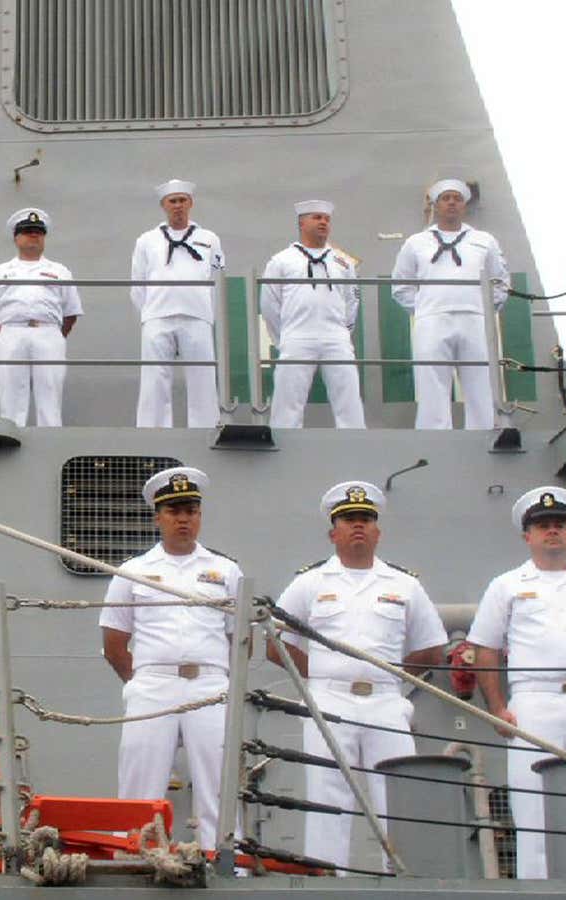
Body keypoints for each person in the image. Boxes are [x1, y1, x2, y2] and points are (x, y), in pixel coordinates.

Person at [269, 481, 447, 870]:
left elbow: (433, 647)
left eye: (366, 519)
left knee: (398, 799)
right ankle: (328, 883)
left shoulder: (404, 584)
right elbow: (275, 642)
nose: (358, 526)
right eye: (349, 519)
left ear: (378, 531)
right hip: (329, 700)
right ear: (333, 532)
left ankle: (403, 882)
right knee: (328, 798)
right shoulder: (310, 583)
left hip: (386, 702)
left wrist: (395, 678)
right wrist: (321, 676)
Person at [466, 485, 566, 879]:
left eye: (559, 525)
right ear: (528, 536)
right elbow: (484, 649)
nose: (552, 531)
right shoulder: (506, 585)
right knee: (533, 807)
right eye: (543, 526)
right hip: (534, 703)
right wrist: (497, 708)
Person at [99, 466, 242, 847]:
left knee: (218, 783)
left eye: (191, 510)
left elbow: (239, 639)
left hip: (210, 685)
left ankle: (227, 865)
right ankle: (131, 859)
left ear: (199, 516)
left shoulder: (226, 571)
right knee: (139, 783)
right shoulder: (133, 571)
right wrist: (144, 682)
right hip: (152, 684)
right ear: (157, 517)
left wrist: (215, 676)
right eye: (175, 511)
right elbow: (114, 642)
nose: (184, 519)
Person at [390, 178, 510, 430]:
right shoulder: (416, 243)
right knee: (431, 381)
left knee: (481, 382)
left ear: (464, 205)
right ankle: (434, 436)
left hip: (475, 319)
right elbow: (401, 285)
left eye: (457, 198)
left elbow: (500, 282)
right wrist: (425, 308)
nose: (452, 203)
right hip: (432, 319)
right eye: (446, 198)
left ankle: (485, 432)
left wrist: (485, 309)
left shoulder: (484, 240)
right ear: (436, 205)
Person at [259, 200, 365, 429]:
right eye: (317, 218)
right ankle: (284, 451)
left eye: (326, 219)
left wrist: (344, 333)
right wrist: (285, 337)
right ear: (301, 222)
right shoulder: (281, 260)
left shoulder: (344, 262)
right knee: (288, 402)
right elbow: (269, 304)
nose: (323, 222)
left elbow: (352, 300)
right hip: (297, 335)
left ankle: (356, 446)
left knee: (349, 400)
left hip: (336, 337)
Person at [130, 179, 224, 428]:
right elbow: (137, 283)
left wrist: (207, 312)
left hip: (197, 315)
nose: (178, 206)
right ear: (164, 205)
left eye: (183, 200)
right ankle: (153, 428)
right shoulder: (147, 241)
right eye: (173, 201)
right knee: (154, 377)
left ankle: (204, 427)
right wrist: (150, 311)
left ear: (191, 203)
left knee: (202, 376)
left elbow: (217, 279)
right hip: (158, 316)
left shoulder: (209, 239)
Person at [0, 208, 82, 426]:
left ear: (44, 237)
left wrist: (53, 334)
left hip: (48, 332)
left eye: (38, 231)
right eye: (27, 231)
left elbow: (71, 312)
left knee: (50, 395)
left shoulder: (60, 271)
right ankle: (12, 439)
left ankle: (51, 441)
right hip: (11, 332)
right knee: (11, 396)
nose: (33, 235)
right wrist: (9, 332)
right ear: (16, 237)